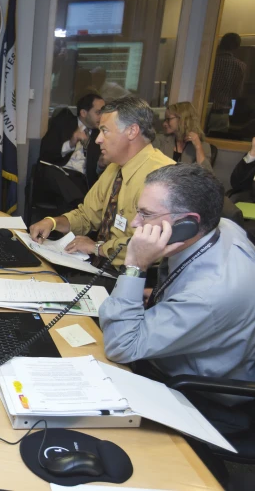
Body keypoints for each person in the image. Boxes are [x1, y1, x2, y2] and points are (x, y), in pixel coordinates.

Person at [99, 164, 255, 406]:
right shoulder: (224, 227)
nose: (134, 223)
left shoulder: (209, 293)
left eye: (146, 214)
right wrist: (163, 294)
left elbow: (120, 346)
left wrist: (136, 265)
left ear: (188, 224)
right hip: (175, 357)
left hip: (195, 397)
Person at [29, 97, 175, 269]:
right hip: (102, 265)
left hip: (133, 274)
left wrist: (97, 248)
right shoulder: (115, 168)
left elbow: (148, 246)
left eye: (104, 131)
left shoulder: (162, 177)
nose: (98, 140)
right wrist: (52, 222)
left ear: (132, 131)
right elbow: (87, 216)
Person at [37, 94, 106, 211]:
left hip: (81, 180)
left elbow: (95, 172)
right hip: (57, 174)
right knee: (53, 173)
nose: (102, 116)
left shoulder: (101, 134)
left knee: (65, 199)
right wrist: (71, 143)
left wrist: (100, 165)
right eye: (98, 112)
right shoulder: (63, 123)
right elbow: (45, 153)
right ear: (84, 113)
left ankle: (75, 211)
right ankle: (81, 205)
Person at [153, 102, 213, 171]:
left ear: (182, 119)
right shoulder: (160, 140)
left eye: (168, 119)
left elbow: (207, 177)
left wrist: (198, 148)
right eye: (165, 119)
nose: (164, 124)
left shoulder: (203, 146)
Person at [207, 33, 246, 134]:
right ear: (237, 47)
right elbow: (237, 93)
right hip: (221, 113)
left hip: (203, 110)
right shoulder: (240, 66)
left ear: (221, 43)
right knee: (215, 144)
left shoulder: (210, 62)